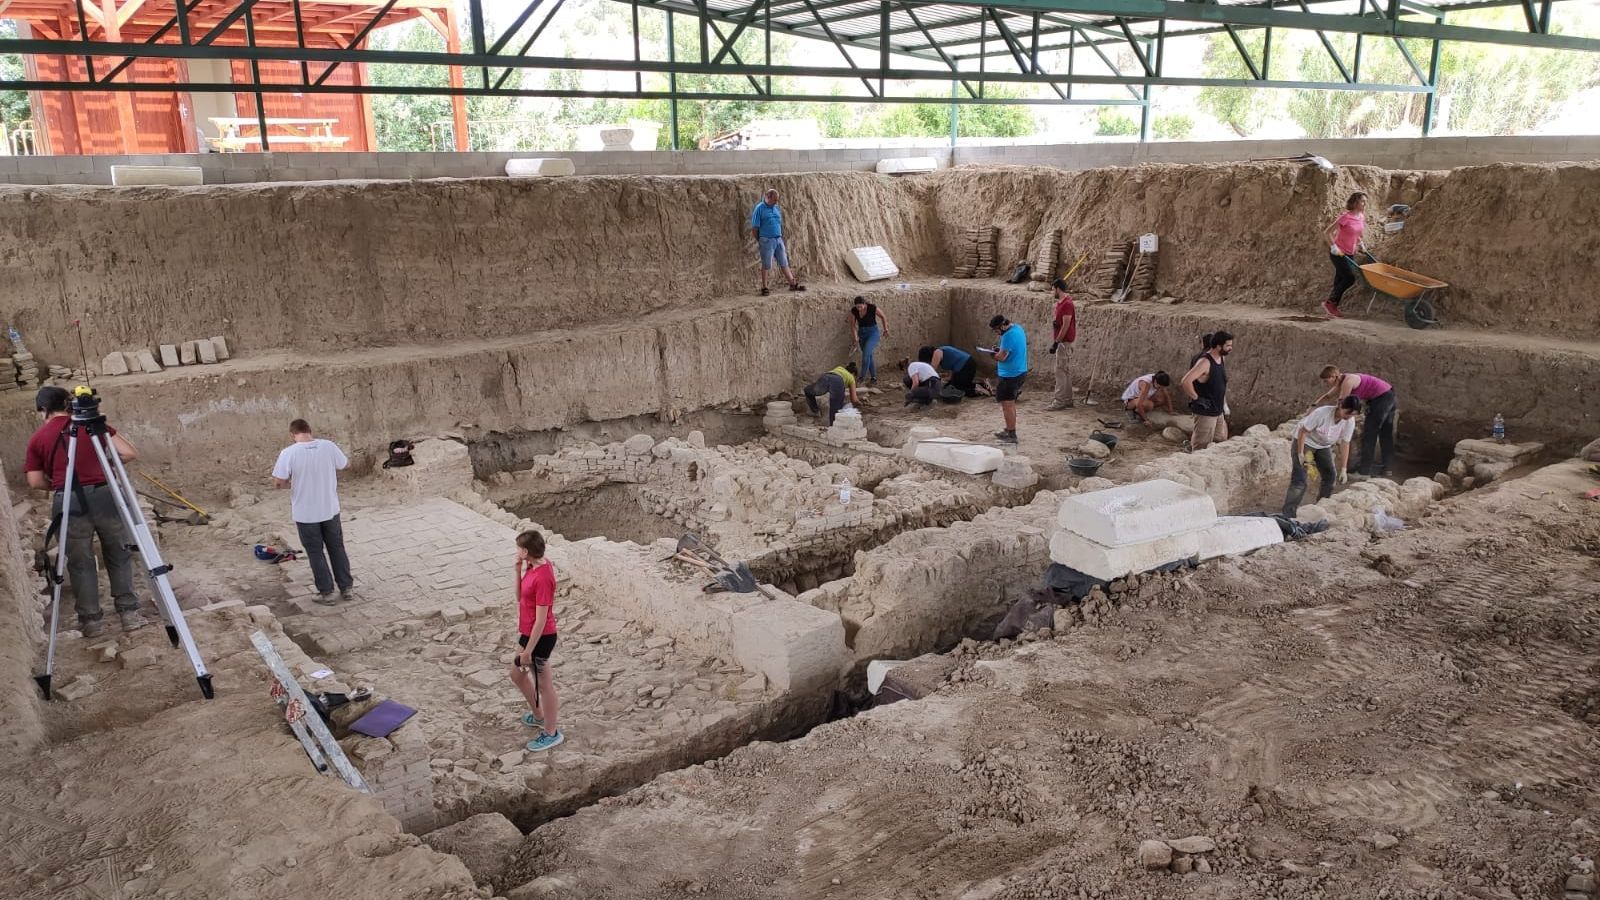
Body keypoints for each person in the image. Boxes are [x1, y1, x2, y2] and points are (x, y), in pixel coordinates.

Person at [24, 386, 145, 638]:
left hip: (69, 501)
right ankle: (129, 614)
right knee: (119, 552)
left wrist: (61, 483)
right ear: (69, 405)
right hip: (105, 495)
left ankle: (91, 621)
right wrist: (105, 464)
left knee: (79, 562)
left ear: (43, 409)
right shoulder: (92, 425)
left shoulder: (38, 438)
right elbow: (129, 452)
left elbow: (34, 481)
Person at [272, 419, 354, 605]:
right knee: (337, 547)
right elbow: (346, 465)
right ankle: (346, 587)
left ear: (293, 435)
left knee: (315, 552)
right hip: (330, 508)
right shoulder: (328, 446)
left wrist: (290, 482)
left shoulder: (288, 453)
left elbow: (279, 482)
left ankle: (327, 592)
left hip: (306, 513)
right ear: (310, 430)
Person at [510, 529, 563, 752]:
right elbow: (519, 596)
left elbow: (541, 620)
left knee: (544, 685)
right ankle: (538, 715)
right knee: (516, 675)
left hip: (541, 636)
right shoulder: (532, 565)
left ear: (525, 551)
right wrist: (517, 570)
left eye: (518, 548)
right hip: (528, 631)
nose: (516, 552)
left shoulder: (543, 577)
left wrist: (528, 651)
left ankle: (551, 732)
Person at [1313, 366, 1399, 476]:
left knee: (1370, 432)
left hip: (1382, 399)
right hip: (1389, 394)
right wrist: (1312, 406)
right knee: (1385, 433)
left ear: (1334, 376)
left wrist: (1333, 418)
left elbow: (1342, 404)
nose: (1325, 383)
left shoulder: (1348, 382)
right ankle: (1388, 468)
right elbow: (1328, 396)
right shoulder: (1342, 380)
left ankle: (1364, 471)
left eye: (1326, 381)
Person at [1283, 397, 1360, 516]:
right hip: (1306, 442)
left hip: (1323, 445)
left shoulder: (1349, 421)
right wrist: (1300, 453)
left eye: (1352, 415)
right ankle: (1289, 513)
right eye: (1347, 413)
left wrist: (1344, 469)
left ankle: (1320, 508)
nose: (1349, 417)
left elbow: (1345, 443)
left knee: (1330, 476)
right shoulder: (1322, 413)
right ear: (1340, 406)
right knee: (1300, 479)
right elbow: (1303, 431)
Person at [1180, 331, 1233, 451]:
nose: (1231, 348)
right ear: (1218, 346)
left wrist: (1224, 405)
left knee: (1221, 441)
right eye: (1228, 346)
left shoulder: (1221, 358)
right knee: (1201, 447)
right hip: (1206, 412)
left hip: (1218, 410)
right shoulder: (1205, 362)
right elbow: (1185, 381)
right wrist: (1196, 398)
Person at [982, 314, 1028, 444]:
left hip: (1010, 375)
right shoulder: (1018, 328)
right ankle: (1009, 430)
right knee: (1010, 404)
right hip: (1020, 371)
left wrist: (992, 354)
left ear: (1002, 326)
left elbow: (1002, 357)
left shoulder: (1007, 336)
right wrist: (999, 350)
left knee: (1007, 405)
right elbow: (1009, 350)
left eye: (996, 330)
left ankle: (1011, 434)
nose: (997, 333)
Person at [749, 188, 805, 296]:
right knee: (766, 264)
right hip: (766, 240)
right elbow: (755, 228)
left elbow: (778, 222)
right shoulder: (759, 208)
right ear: (768, 197)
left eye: (777, 200)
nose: (776, 202)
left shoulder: (776, 208)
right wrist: (761, 240)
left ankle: (792, 283)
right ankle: (764, 287)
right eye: (774, 200)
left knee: (784, 261)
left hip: (778, 239)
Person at [1322, 191, 1369, 319]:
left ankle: (1331, 307)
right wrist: (1333, 247)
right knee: (1349, 278)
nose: (1365, 204)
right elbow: (1327, 232)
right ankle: (1330, 303)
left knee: (1339, 280)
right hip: (1338, 253)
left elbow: (1357, 234)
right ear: (1355, 202)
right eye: (1362, 201)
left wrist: (1361, 244)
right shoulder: (1345, 217)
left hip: (1350, 253)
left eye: (1365, 201)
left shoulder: (1361, 217)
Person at [1047, 278, 1077, 410]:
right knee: (1065, 371)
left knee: (1060, 371)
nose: (1052, 291)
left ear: (1058, 289)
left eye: (1053, 289)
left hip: (1064, 342)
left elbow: (1066, 326)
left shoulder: (1067, 304)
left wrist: (1056, 342)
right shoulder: (1061, 303)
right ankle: (1068, 399)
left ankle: (1059, 400)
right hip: (1062, 342)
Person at [802, 361, 861, 426]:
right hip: (837, 382)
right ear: (853, 374)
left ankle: (815, 411)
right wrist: (860, 403)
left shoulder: (839, 368)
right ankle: (833, 427)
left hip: (825, 377)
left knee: (808, 391)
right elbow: (854, 399)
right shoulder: (851, 377)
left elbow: (832, 379)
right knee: (836, 411)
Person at [849, 296, 889, 386]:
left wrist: (886, 329)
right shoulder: (854, 310)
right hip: (862, 334)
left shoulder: (872, 308)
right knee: (869, 356)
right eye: (857, 307)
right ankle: (873, 378)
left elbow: (883, 317)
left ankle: (861, 377)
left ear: (864, 304)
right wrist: (855, 338)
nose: (859, 309)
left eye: (861, 306)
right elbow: (852, 326)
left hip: (873, 333)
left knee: (866, 354)